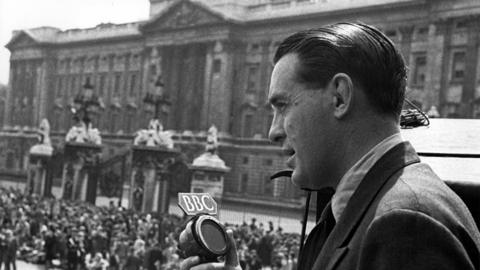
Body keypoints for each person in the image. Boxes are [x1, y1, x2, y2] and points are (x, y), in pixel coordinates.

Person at [180, 22, 480, 270]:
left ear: (339, 97)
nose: (272, 132)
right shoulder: (368, 208)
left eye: (282, 106)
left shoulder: (405, 225)